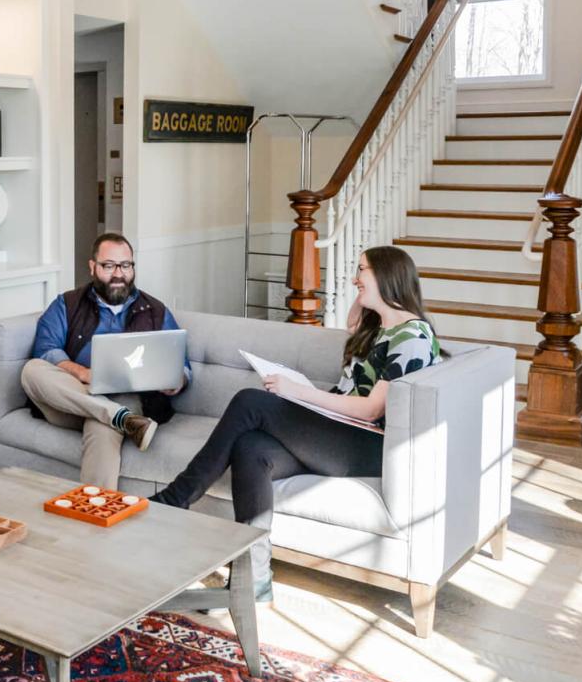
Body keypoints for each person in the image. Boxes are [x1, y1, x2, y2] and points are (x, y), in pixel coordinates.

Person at [150, 246, 441, 602]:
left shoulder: (411, 337)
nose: (354, 278)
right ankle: (254, 579)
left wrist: (299, 393)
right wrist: (367, 300)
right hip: (338, 433)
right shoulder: (380, 328)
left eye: (361, 271)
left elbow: (369, 411)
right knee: (251, 448)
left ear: (385, 275)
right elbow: (353, 325)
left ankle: (176, 498)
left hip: (365, 444)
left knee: (250, 401)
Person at [22, 232, 191, 490]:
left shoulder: (155, 311)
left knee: (102, 427)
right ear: (93, 267)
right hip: (71, 398)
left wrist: (175, 380)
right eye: (108, 265)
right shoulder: (67, 304)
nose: (118, 274)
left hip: (127, 398)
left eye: (125, 265)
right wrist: (81, 373)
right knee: (31, 370)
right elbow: (45, 348)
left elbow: (182, 365)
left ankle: (93, 519)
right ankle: (120, 418)